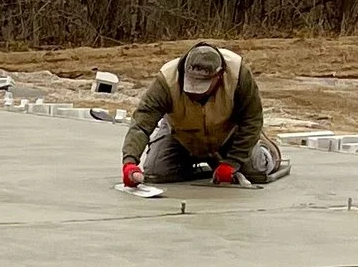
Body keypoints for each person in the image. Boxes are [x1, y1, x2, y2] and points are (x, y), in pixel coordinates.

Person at [121, 41, 288, 187]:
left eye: (202, 85)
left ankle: (266, 150)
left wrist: (233, 162)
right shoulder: (167, 80)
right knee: (157, 173)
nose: (196, 92)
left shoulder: (238, 75)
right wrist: (130, 161)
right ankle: (206, 162)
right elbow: (142, 122)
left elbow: (252, 119)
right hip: (181, 134)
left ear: (219, 75)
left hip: (227, 134)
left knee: (255, 173)